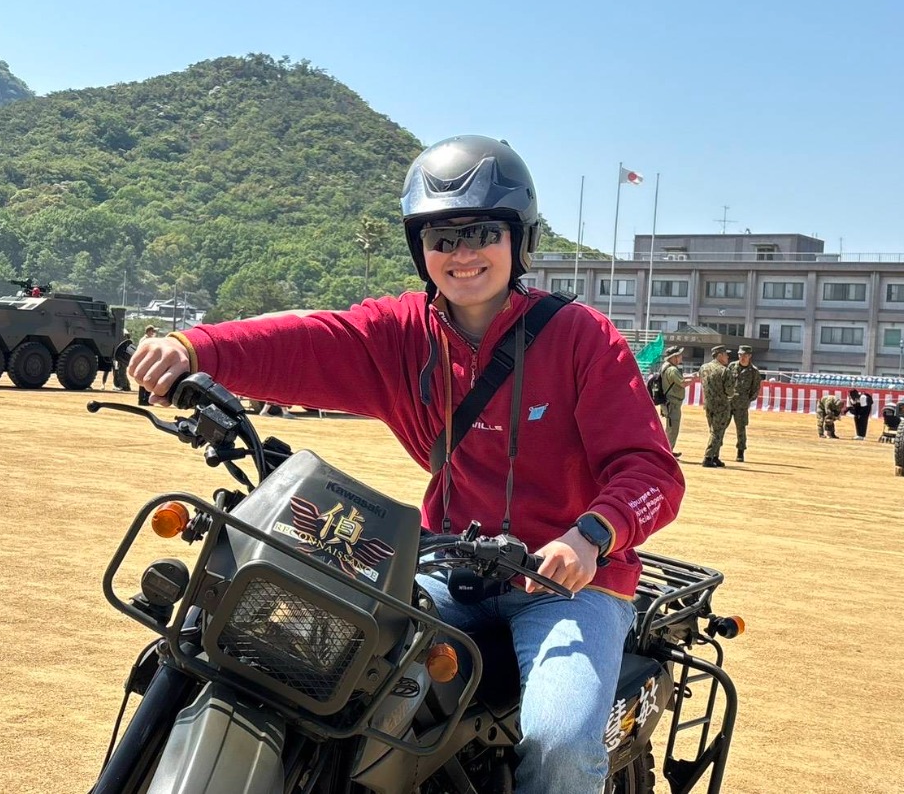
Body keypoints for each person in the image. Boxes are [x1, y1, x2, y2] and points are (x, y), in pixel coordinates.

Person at [129, 135, 684, 794]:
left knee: (560, 742)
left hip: (568, 586)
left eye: (483, 232)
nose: (463, 253)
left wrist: (590, 536)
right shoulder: (402, 335)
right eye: (442, 237)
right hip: (450, 569)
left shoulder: (580, 337)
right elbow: (306, 342)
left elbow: (653, 472)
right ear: (421, 250)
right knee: (321, 673)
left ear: (519, 240)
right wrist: (195, 348)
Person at [699, 344, 735, 468]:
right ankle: (708, 457)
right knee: (717, 432)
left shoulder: (704, 368)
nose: (727, 357)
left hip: (709, 404)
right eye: (725, 355)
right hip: (721, 405)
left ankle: (715, 456)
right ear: (719, 355)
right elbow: (730, 391)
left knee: (714, 431)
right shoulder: (724, 370)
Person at [727, 344, 762, 463]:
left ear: (749, 356)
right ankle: (715, 452)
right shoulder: (732, 366)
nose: (742, 358)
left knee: (741, 429)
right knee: (720, 427)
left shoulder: (754, 371)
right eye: (740, 355)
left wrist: (746, 400)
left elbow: (755, 389)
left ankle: (740, 452)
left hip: (742, 406)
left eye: (745, 355)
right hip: (728, 403)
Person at [658, 345, 690, 456]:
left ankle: (668, 450)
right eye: (679, 355)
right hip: (673, 403)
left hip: (668, 402)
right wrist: (695, 378)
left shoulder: (665, 367)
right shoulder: (672, 369)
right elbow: (683, 383)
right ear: (674, 357)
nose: (681, 357)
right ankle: (667, 453)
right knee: (673, 429)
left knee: (670, 428)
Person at [136, 325, 158, 405]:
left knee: (147, 380)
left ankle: (145, 399)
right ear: (149, 331)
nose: (153, 333)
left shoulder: (148, 339)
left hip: (147, 361)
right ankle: (143, 399)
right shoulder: (145, 340)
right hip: (145, 361)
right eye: (152, 331)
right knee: (145, 380)